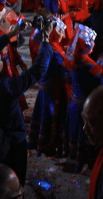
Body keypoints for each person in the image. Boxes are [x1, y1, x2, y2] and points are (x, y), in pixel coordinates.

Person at [0, 23, 53, 183]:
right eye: (0, 61)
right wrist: (46, 39)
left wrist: (9, 35)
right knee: (13, 182)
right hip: (11, 145)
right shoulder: (6, 88)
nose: (2, 62)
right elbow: (38, 70)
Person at [28, 17, 69, 158]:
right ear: (53, 33)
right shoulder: (51, 49)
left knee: (45, 114)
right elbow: (60, 70)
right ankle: (50, 145)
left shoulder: (49, 46)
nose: (63, 35)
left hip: (47, 88)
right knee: (50, 117)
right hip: (53, 91)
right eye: (61, 32)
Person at [65, 24, 101, 171]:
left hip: (74, 103)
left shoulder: (73, 60)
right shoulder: (87, 66)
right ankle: (86, 162)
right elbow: (99, 82)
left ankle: (74, 158)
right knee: (85, 135)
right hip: (84, 107)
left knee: (75, 132)